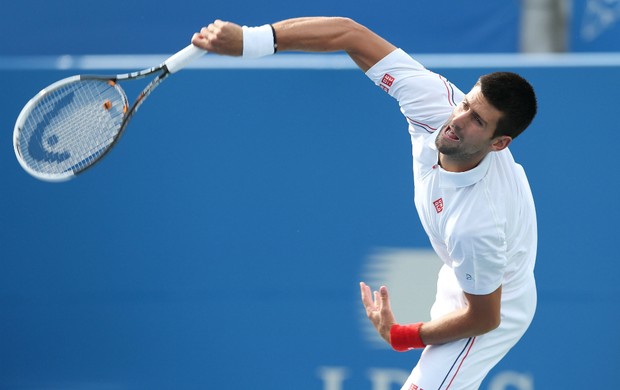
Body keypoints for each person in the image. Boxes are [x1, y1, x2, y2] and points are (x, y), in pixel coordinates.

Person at [192, 17, 538, 389]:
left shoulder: (476, 224)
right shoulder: (436, 105)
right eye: (466, 104)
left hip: (493, 308)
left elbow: (485, 318)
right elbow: (349, 33)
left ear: (499, 143)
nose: (457, 121)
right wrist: (251, 41)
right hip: (466, 269)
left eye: (477, 122)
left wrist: (402, 335)